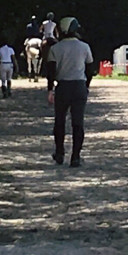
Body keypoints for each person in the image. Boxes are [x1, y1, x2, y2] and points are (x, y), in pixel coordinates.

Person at [46, 16, 94, 168]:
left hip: (63, 87)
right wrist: (86, 85)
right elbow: (90, 69)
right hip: (79, 86)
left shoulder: (55, 48)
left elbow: (51, 72)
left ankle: (59, 152)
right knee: (77, 123)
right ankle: (75, 156)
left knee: (59, 121)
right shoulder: (84, 47)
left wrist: (50, 89)